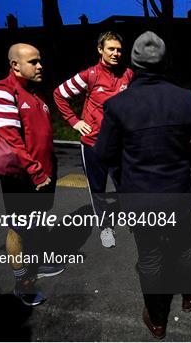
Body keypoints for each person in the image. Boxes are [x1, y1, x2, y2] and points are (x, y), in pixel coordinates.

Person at [94, 31, 191, 339]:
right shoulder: (185, 98)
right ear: (164, 62)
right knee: (184, 245)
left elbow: (104, 153)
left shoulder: (118, 105)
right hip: (177, 192)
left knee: (150, 256)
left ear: (133, 63)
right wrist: (180, 155)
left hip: (139, 196)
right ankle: (189, 295)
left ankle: (158, 320)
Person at [0, 43, 63, 306]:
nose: (40, 65)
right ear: (15, 65)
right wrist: (36, 172)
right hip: (23, 179)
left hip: (43, 176)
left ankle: (36, 264)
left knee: (36, 223)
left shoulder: (36, 96)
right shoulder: (1, 93)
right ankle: (22, 281)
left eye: (40, 60)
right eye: (33, 61)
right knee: (18, 228)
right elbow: (9, 142)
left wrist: (48, 170)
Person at [54, 31, 133, 248]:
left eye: (118, 49)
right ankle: (105, 227)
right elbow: (59, 94)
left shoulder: (128, 74)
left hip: (120, 143)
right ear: (100, 50)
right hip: (93, 142)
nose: (116, 53)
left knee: (126, 184)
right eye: (111, 49)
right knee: (98, 188)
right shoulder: (90, 75)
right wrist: (74, 121)